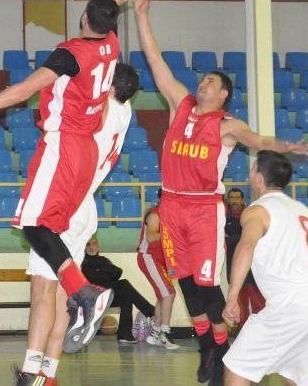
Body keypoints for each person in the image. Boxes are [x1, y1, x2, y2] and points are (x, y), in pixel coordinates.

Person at [0, 0, 138, 366]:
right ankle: (44, 364)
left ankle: (84, 291)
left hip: (64, 146)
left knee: (33, 225)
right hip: (85, 156)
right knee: (46, 244)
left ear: (84, 17)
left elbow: (22, 91)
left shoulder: (71, 53)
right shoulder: (111, 46)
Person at [132, 0, 308, 384]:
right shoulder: (179, 103)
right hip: (171, 205)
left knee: (206, 285)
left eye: (211, 82)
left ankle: (220, 347)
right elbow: (155, 59)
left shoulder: (227, 126)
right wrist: (142, 14)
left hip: (202, 208)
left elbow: (259, 141)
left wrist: (285, 145)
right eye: (203, 81)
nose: (203, 84)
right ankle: (209, 347)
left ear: (224, 93)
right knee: (183, 283)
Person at [20, 59, 139, 384]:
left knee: (43, 290)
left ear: (109, 87)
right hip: (86, 205)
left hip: (67, 200)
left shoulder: (100, 109)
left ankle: (30, 373)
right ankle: (49, 373)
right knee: (57, 294)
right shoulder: (125, 112)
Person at [222, 151, 308, 386]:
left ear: (258, 177)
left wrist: (232, 296)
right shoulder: (303, 211)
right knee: (295, 376)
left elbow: (246, 245)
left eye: (252, 168)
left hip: (296, 304)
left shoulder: (257, 211)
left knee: (237, 366)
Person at [82, 236, 155, 344]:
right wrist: (104, 271)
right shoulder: (84, 262)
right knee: (124, 284)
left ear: (98, 247)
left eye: (94, 244)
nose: (91, 247)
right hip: (94, 297)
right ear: (85, 247)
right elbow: (93, 279)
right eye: (88, 244)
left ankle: (125, 335)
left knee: (126, 298)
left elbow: (117, 272)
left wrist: (100, 268)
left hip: (107, 295)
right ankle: (151, 311)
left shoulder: (103, 260)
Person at [137, 189, 179, 349]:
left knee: (165, 295)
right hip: (149, 257)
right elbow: (151, 237)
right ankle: (164, 333)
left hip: (161, 260)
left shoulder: (171, 216)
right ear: (162, 199)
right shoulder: (155, 214)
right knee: (168, 294)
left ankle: (155, 333)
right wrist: (173, 234)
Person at [224, 188, 265, 331]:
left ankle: (261, 331)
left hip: (253, 267)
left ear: (242, 200)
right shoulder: (224, 217)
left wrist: (230, 239)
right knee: (238, 303)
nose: (234, 201)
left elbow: (246, 241)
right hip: (234, 266)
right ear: (228, 200)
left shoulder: (250, 215)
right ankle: (242, 332)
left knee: (258, 302)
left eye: (237, 198)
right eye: (232, 198)